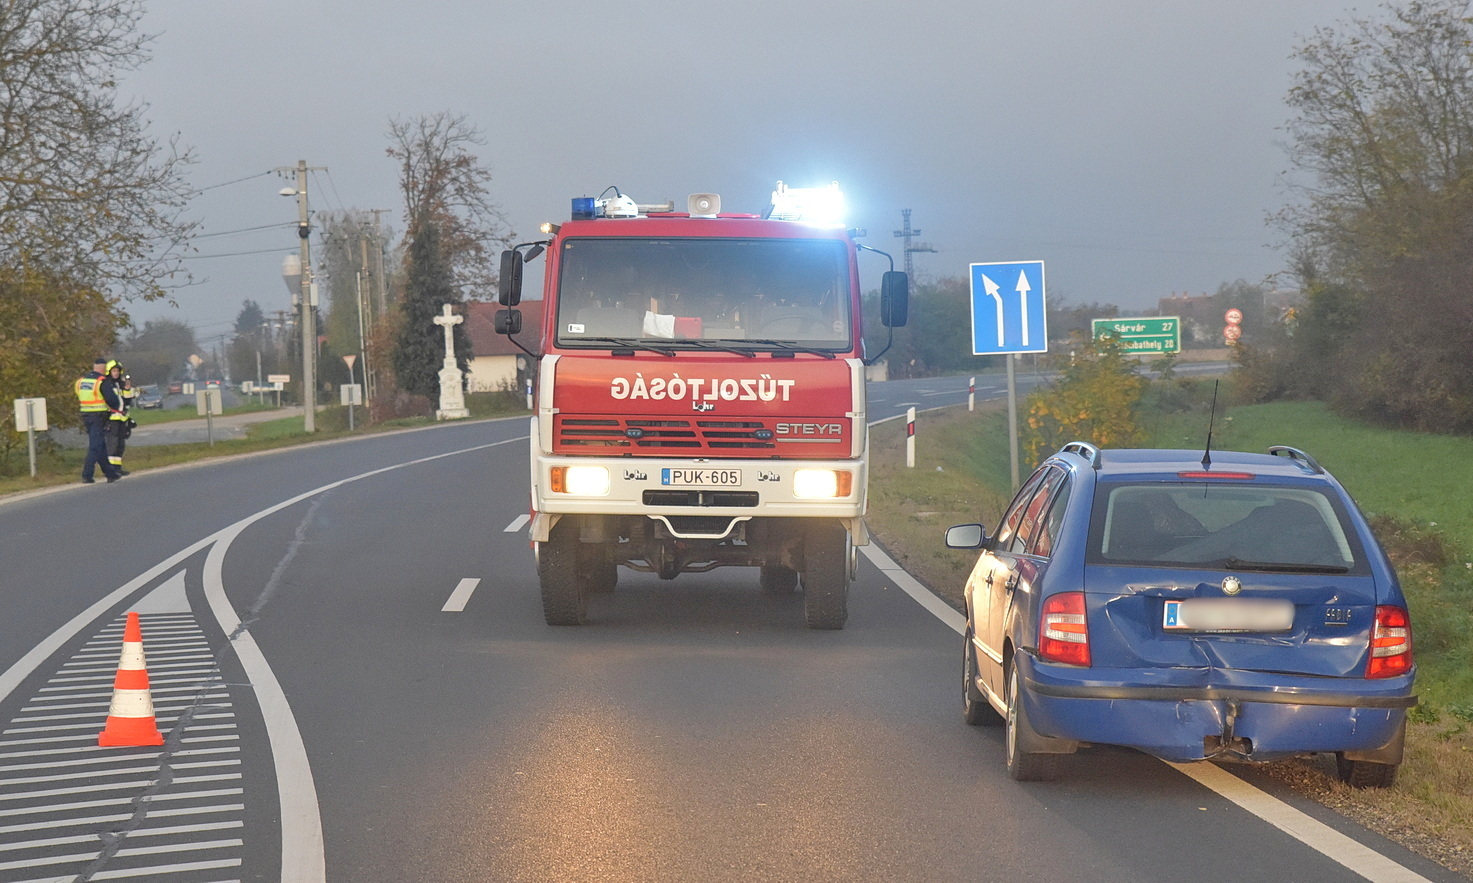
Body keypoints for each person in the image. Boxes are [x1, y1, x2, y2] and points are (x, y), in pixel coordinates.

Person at [75, 357, 122, 484]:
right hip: (98, 417)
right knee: (95, 446)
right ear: (103, 368)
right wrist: (115, 407)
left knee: (100, 445)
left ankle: (110, 474)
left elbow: (80, 396)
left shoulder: (81, 381)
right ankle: (87, 475)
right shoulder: (102, 381)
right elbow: (112, 400)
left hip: (86, 416)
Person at [104, 360, 134, 476]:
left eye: (118, 371)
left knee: (120, 444)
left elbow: (128, 400)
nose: (116, 373)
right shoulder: (106, 384)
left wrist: (127, 388)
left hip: (122, 418)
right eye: (114, 371)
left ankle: (117, 468)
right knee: (113, 444)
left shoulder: (119, 384)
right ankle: (110, 470)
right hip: (112, 419)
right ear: (109, 371)